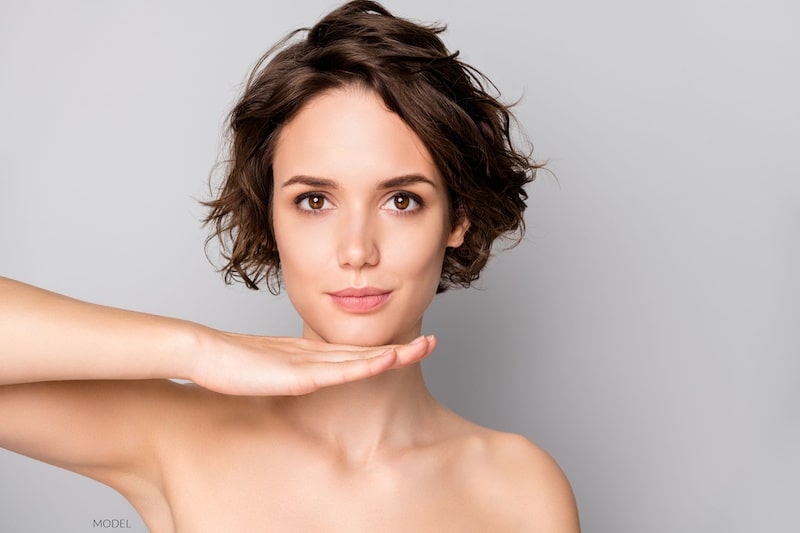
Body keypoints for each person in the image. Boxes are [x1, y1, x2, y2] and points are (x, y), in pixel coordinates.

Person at [0, 1, 580, 531]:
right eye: (314, 201)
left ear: (459, 219)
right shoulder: (174, 436)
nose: (357, 250)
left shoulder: (520, 489)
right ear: (270, 218)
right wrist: (198, 349)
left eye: (402, 200)